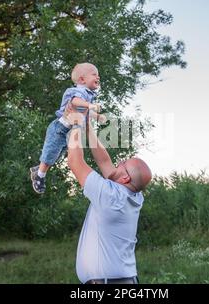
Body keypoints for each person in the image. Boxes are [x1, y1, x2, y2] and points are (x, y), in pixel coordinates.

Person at [65, 110, 152, 284]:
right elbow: (104, 161)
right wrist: (87, 125)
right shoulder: (134, 195)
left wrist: (75, 124)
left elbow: (75, 162)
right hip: (125, 280)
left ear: (125, 177)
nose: (117, 163)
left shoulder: (110, 196)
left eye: (122, 164)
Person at [30, 63, 106, 194]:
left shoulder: (88, 95)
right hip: (59, 128)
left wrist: (97, 116)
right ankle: (39, 176)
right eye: (94, 74)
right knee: (51, 152)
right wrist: (90, 105)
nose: (98, 77)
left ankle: (38, 169)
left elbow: (84, 111)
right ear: (82, 80)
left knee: (56, 155)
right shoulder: (78, 92)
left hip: (66, 132)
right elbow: (75, 102)